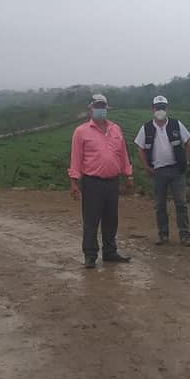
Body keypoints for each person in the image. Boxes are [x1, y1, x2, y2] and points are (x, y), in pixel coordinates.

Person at [68, 94, 134, 269]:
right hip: (92, 182)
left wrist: (128, 176)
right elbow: (76, 158)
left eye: (102, 106)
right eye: (97, 106)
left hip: (112, 181)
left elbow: (123, 154)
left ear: (107, 108)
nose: (100, 109)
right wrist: (74, 181)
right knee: (91, 220)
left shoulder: (115, 129)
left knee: (111, 219)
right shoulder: (81, 131)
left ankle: (110, 252)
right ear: (90, 108)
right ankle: (90, 255)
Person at [134, 95, 190, 246]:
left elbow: (188, 142)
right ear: (152, 109)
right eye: (157, 107)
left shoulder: (176, 124)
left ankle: (185, 235)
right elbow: (140, 147)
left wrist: (186, 160)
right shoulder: (146, 128)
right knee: (160, 205)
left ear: (167, 109)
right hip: (157, 172)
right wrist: (146, 166)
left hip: (176, 170)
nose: (160, 110)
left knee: (181, 203)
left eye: (162, 107)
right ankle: (163, 235)